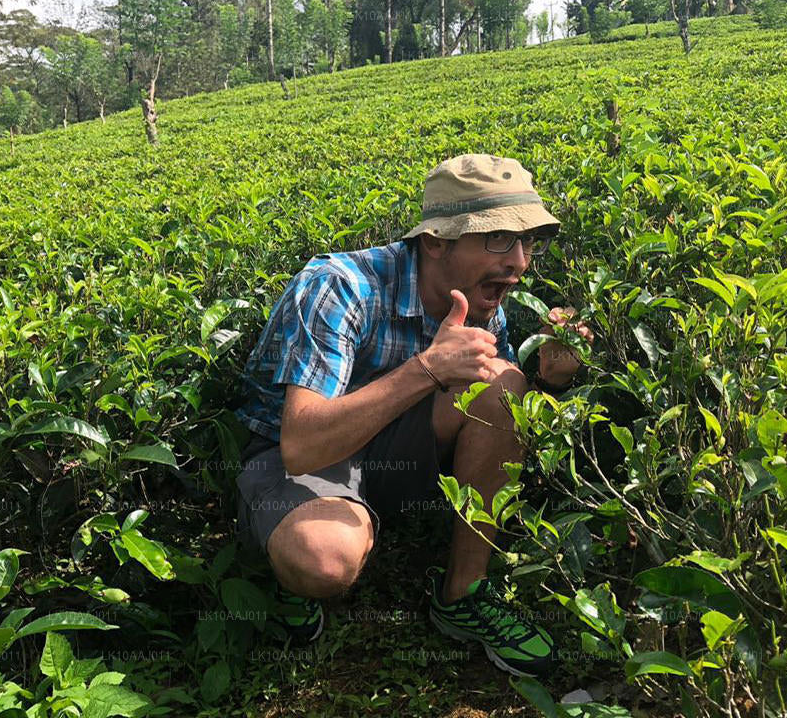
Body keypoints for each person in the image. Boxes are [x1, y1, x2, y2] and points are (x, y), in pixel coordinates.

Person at [232, 153, 592, 678]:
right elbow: (302, 444)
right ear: (436, 241)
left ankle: (463, 595)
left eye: (528, 241)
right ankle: (286, 565)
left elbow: (499, 417)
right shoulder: (339, 286)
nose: (519, 261)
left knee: (506, 385)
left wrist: (549, 381)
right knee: (323, 559)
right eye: (498, 239)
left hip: (391, 449)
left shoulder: (483, 299)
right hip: (296, 459)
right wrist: (426, 369)